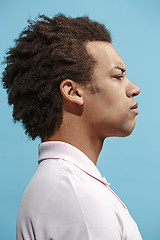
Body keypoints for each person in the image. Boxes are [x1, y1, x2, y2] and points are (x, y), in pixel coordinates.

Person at [2, 14, 142, 240]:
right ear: (73, 92)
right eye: (118, 76)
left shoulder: (65, 184)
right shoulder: (76, 195)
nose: (134, 88)